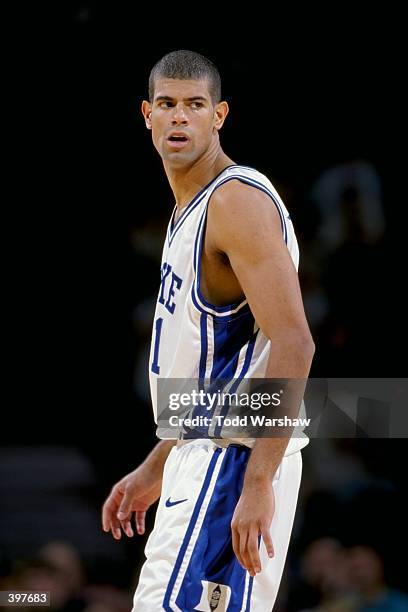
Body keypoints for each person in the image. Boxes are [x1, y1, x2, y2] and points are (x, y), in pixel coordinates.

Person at [102, 49, 315, 611]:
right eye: (167, 104)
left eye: (194, 105)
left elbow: (294, 342)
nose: (179, 117)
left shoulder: (235, 201)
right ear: (146, 114)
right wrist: (158, 461)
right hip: (203, 454)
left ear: (219, 116)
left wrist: (258, 480)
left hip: (233, 459)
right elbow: (214, 372)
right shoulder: (190, 209)